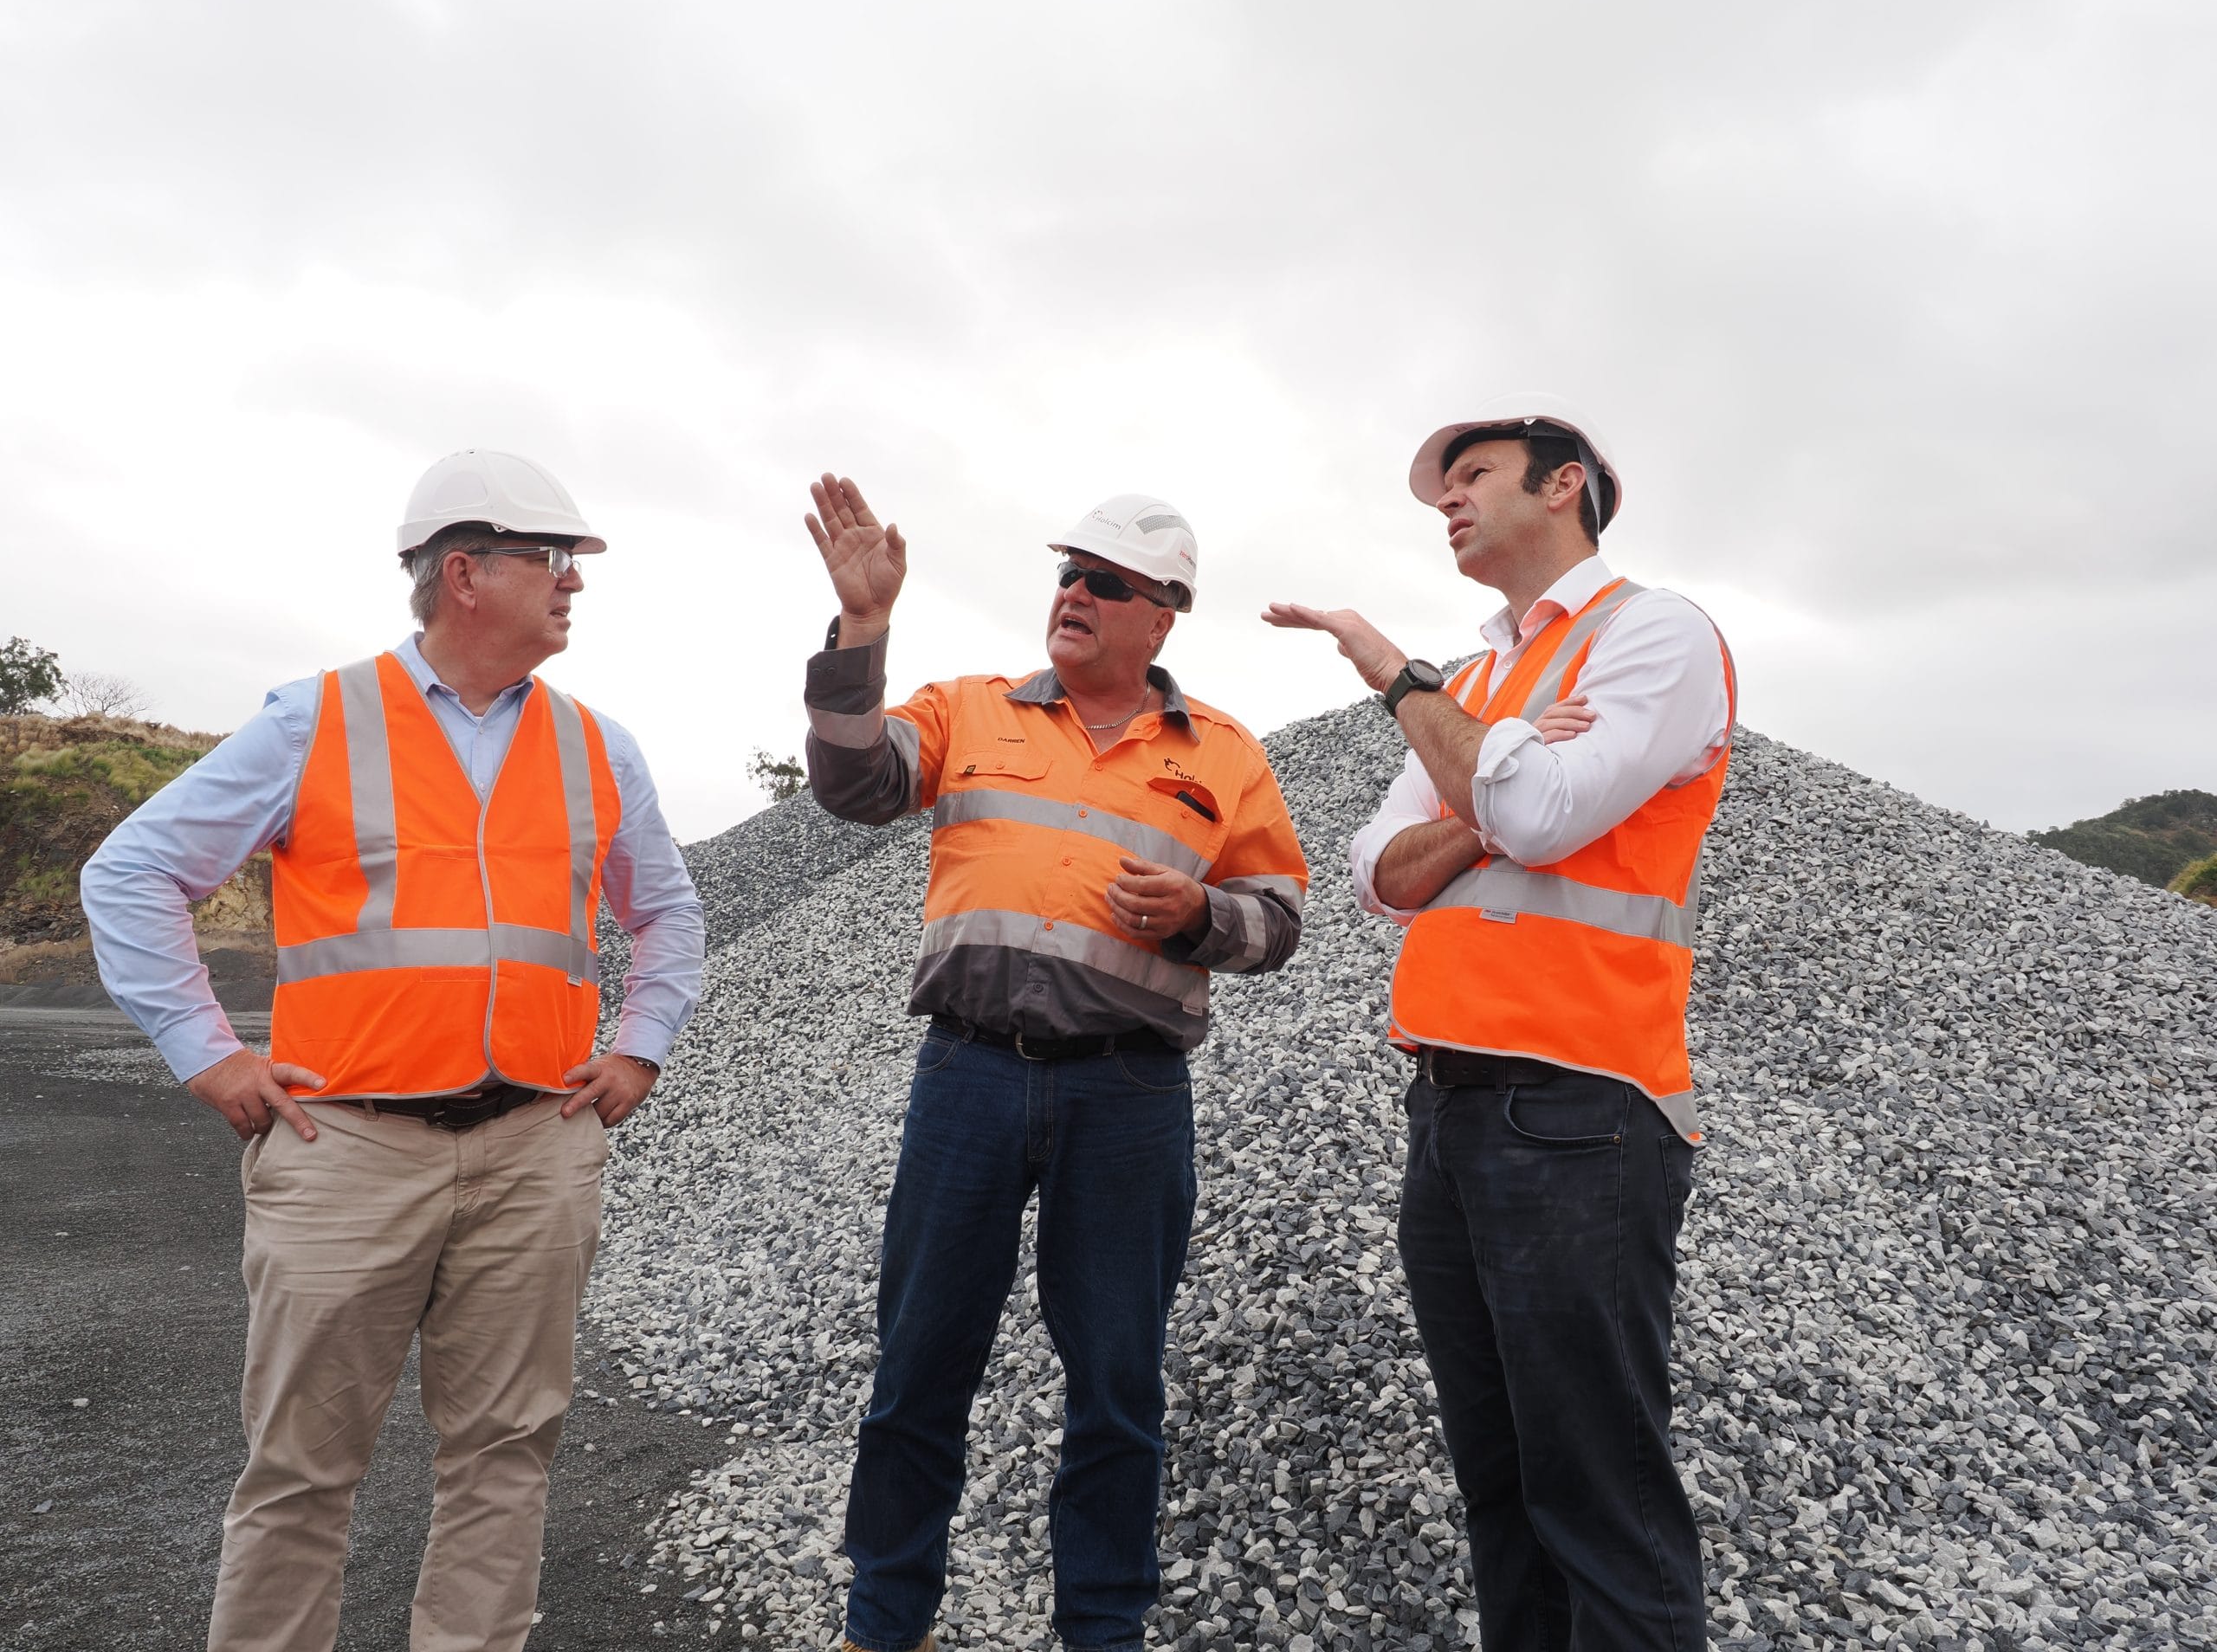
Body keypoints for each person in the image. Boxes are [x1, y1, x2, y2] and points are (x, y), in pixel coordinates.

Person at [81, 448, 706, 1652]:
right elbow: (134, 873)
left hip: (535, 1149)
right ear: (464, 574)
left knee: (505, 1462)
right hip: (346, 1151)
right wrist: (209, 1056)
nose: (574, 582)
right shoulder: (313, 720)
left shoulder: (597, 746)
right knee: (301, 1474)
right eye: (553, 559)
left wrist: (641, 1048)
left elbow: (667, 911)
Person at [801, 476, 1309, 1652]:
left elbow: (1278, 922)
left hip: (1128, 1095)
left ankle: (1101, 1628)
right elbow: (852, 786)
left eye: (1107, 583)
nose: (1076, 593)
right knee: (921, 1359)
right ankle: (886, 1620)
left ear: (1161, 618)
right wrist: (864, 631)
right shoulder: (969, 709)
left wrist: (1195, 917)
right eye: (1069, 575)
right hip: (969, 1079)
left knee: (1119, 1384)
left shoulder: (1224, 755)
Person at [1264, 395, 1733, 1651]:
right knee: (1506, 1487)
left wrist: (1395, 678)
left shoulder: (1657, 637)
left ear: (1564, 483)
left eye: (1472, 475)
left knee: (1601, 1496)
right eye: (1441, 490)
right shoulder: (1479, 681)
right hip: (1449, 1104)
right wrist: (1490, 786)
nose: (1450, 502)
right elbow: (1377, 874)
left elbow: (1540, 823)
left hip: (1582, 1106)